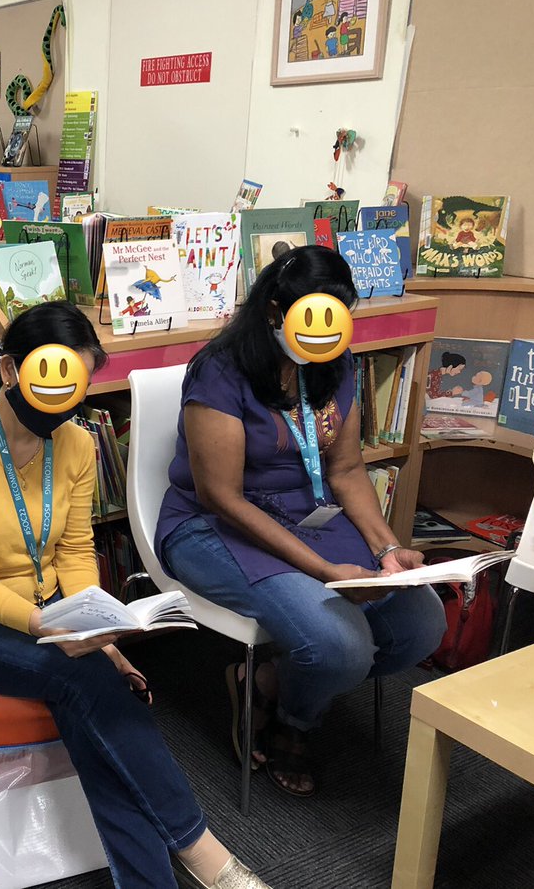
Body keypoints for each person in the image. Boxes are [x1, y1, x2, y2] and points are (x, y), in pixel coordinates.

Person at [0, 302, 270, 889]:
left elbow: (75, 550)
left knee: (96, 697)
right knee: (82, 682)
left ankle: (153, 880)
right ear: (9, 372)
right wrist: (45, 627)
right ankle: (203, 852)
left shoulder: (75, 445)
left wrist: (97, 626)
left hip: (48, 610)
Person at [156, 245, 446, 798]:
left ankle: (267, 682)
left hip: (307, 515)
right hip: (213, 524)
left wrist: (386, 549)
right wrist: (323, 571)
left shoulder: (336, 365)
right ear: (274, 310)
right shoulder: (220, 370)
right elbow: (220, 495)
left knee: (419, 624)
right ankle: (297, 719)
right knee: (340, 647)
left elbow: (346, 466)